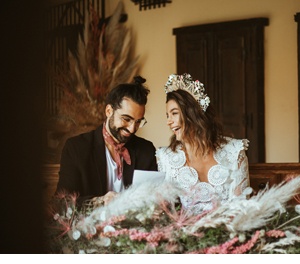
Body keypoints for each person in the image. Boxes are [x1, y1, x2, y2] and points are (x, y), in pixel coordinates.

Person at [156, 73, 252, 214]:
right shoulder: (166, 157)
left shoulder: (234, 151)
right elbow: (166, 210)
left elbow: (241, 208)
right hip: (185, 233)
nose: (169, 122)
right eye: (167, 115)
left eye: (174, 113)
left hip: (230, 232)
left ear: (193, 114)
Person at [56, 76, 158, 206]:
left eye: (138, 122)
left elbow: (152, 199)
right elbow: (62, 202)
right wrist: (99, 201)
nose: (132, 129)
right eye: (126, 119)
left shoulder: (146, 150)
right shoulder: (76, 147)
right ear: (109, 111)